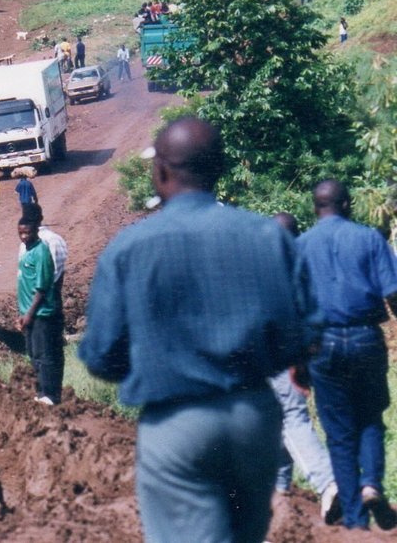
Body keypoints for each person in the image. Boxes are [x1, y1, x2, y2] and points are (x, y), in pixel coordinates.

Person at [79, 118, 318, 543]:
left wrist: (153, 361)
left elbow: (100, 355)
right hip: (254, 419)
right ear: (220, 168)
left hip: (176, 424)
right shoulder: (268, 235)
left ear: (162, 173)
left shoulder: (129, 249)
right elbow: (301, 335)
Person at [298, 180, 397, 530]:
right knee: (370, 416)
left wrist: (298, 362)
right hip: (365, 338)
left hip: (322, 344)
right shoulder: (370, 238)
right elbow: (394, 293)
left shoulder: (300, 247)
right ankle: (372, 484)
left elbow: (292, 309)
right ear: (348, 204)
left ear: (315, 207)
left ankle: (355, 523)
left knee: (339, 433)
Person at [271, 212, 341, 526]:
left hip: (275, 356)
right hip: (309, 353)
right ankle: (280, 489)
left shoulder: (268, 270)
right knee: (280, 422)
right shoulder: (310, 266)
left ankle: (327, 482)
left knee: (290, 418)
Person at [17, 214, 63, 405]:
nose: (24, 236)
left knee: (45, 355)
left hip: (41, 313)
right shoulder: (27, 251)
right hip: (29, 313)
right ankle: (41, 392)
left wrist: (29, 314)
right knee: (34, 354)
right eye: (20, 233)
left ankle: (50, 395)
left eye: (27, 232)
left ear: (36, 231)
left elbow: (42, 288)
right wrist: (21, 314)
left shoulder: (41, 252)